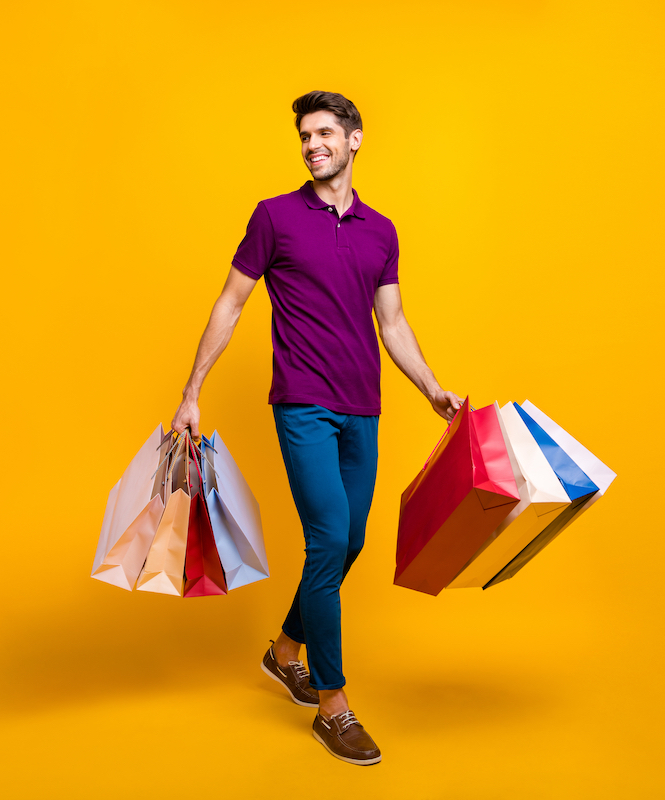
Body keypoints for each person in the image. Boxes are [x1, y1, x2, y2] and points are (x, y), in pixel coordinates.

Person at [170, 90, 460, 766]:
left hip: (364, 405)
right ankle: (333, 706)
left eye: (326, 132)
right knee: (328, 536)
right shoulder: (274, 218)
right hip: (302, 402)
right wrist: (192, 391)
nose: (312, 144)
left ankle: (284, 652)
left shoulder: (380, 230)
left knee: (349, 541)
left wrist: (430, 387)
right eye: (305, 135)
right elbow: (231, 304)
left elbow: (392, 322)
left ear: (355, 139)